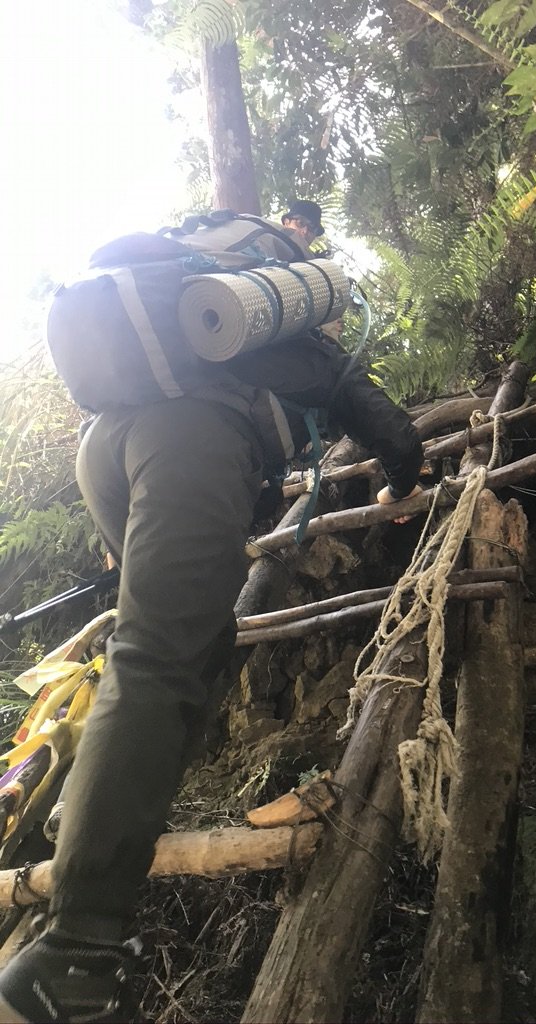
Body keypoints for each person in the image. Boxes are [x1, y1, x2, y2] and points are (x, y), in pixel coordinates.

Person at [0, 240, 421, 1023]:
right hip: (188, 444)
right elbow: (391, 430)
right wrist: (405, 480)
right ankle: (76, 956)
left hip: (109, 445)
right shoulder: (292, 337)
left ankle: (114, 833)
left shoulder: (186, 314)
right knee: (159, 658)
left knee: (190, 646)